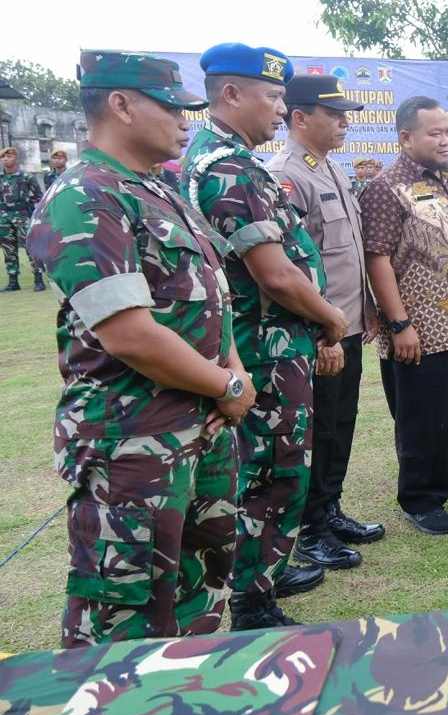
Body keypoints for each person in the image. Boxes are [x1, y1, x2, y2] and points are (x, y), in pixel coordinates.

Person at [28, 50, 253, 649]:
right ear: (121, 105)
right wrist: (229, 385)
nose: (185, 121)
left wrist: (231, 371)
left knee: (199, 590)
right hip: (132, 445)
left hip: (200, 429)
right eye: (172, 107)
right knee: (124, 615)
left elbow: (210, 296)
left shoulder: (159, 189)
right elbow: (129, 334)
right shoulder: (85, 196)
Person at [183, 43, 346, 629]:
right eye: (273, 97)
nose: (281, 109)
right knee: (274, 473)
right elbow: (275, 275)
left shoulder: (225, 159)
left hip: (268, 344)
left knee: (265, 470)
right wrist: (330, 318)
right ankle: (253, 602)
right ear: (231, 95)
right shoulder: (229, 169)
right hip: (266, 348)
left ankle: (263, 575)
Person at [360, 96, 448, 536]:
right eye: (435, 133)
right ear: (406, 137)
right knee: (424, 416)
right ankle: (421, 498)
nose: (445, 140)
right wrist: (399, 323)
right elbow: (377, 258)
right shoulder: (386, 188)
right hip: (424, 328)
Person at [267, 74, 384, 571]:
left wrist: (368, 304)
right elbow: (292, 268)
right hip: (322, 333)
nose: (343, 123)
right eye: (333, 114)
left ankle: (330, 510)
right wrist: (322, 334)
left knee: (340, 425)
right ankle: (311, 530)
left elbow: (345, 252)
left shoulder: (330, 168)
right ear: (299, 117)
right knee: (317, 432)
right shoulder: (286, 176)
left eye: (345, 115)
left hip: (349, 323)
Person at [1, 146, 45, 291]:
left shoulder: (27, 177)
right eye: (3, 157)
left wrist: (36, 216)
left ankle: (38, 280)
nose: (6, 159)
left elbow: (38, 197)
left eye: (9, 156)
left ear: (16, 158)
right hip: (4, 219)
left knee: (30, 248)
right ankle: (13, 282)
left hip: (23, 216)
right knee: (9, 251)